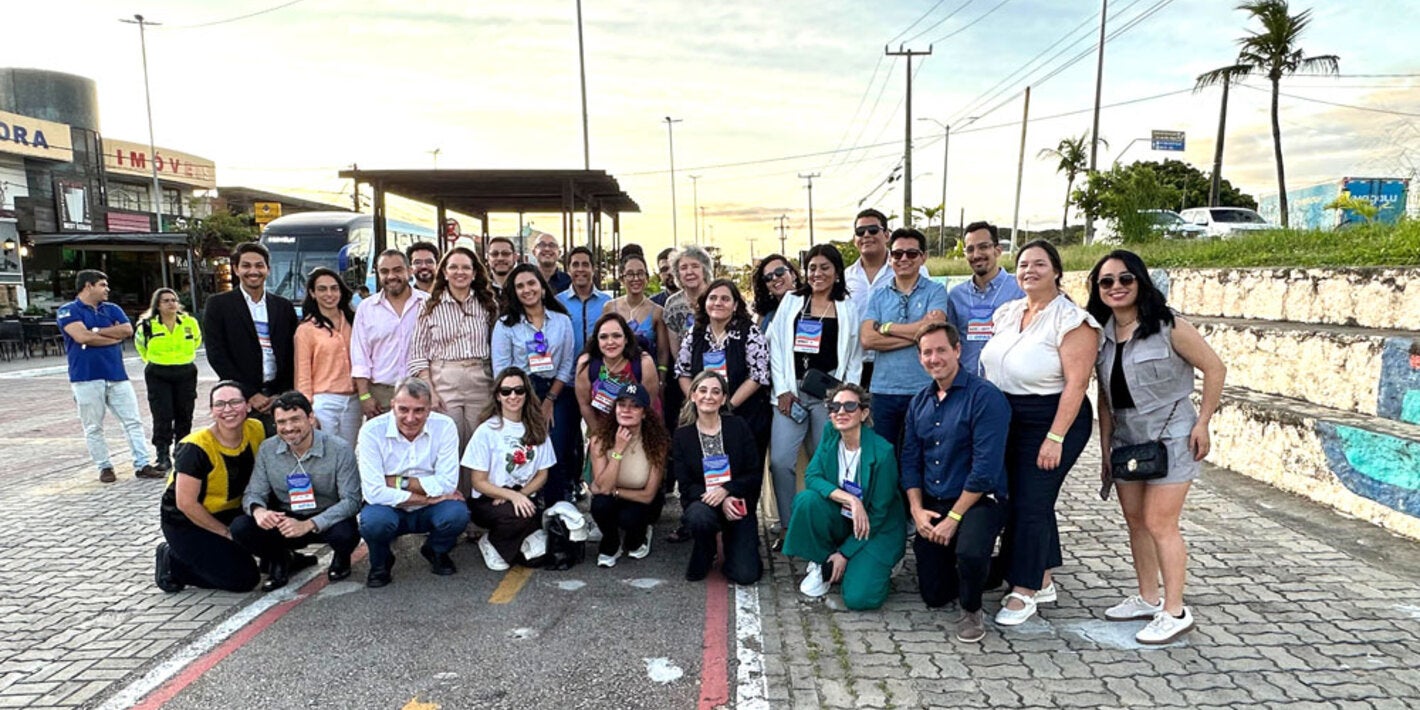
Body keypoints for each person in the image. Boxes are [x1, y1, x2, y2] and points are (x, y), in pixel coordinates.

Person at [1087, 250, 1226, 644]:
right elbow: (1105, 399)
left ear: (1141, 282)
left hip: (1172, 434)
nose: (1116, 287)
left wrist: (1203, 422)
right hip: (1128, 438)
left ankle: (1175, 609)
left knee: (1160, 522)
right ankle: (1148, 596)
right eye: (1106, 281)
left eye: (1125, 279)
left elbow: (1215, 368)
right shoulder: (1103, 336)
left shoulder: (1168, 326)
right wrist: (1105, 451)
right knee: (1135, 522)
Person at [979, 239, 1100, 626]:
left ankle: (1025, 589)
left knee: (1032, 502)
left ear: (1057, 271)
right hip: (1008, 416)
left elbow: (1077, 384)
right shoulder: (1008, 312)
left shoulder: (1072, 320)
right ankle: (1044, 576)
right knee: (1021, 496)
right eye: (1023, 264)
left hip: (1051, 417)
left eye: (1039, 264)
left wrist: (1056, 436)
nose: (1029, 270)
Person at [902, 323, 1011, 642]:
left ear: (958, 350)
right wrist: (917, 511)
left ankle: (972, 608)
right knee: (934, 595)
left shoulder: (985, 397)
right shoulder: (919, 402)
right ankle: (979, 569)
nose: (934, 358)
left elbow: (985, 469)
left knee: (971, 553)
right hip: (935, 500)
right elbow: (910, 460)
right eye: (926, 352)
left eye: (941, 350)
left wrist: (954, 519)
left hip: (979, 500)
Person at [766, 245, 862, 546]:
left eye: (824, 268)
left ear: (836, 272)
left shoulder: (847, 305)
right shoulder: (794, 301)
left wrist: (845, 398)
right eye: (811, 268)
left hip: (829, 396)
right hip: (791, 395)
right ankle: (787, 527)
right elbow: (777, 347)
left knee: (828, 463)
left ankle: (826, 525)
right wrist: (782, 389)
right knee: (781, 461)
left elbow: (855, 356)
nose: (817, 274)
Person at [782, 383, 904, 610]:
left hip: (876, 527)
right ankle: (822, 561)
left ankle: (880, 562)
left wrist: (844, 554)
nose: (841, 412)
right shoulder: (831, 434)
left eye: (849, 406)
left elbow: (879, 513)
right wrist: (851, 499)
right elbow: (813, 476)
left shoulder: (882, 451)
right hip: (847, 514)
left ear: (864, 413)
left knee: (860, 599)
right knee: (806, 501)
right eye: (834, 406)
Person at [231, 391, 362, 590]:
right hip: (287, 517)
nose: (289, 428)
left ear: (310, 418)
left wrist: (309, 524)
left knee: (345, 534)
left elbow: (352, 500)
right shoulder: (268, 449)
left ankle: (342, 558)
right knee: (241, 527)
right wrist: (259, 511)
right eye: (281, 422)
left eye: (295, 419)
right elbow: (254, 493)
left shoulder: (339, 449)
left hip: (327, 516)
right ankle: (281, 559)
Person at [356, 378, 470, 588]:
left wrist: (397, 481)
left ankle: (436, 550)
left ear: (429, 409)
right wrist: (428, 498)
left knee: (457, 514)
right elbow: (374, 492)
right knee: (373, 522)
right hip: (390, 507)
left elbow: (447, 483)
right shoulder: (371, 431)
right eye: (403, 409)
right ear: (392, 405)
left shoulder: (444, 426)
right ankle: (381, 562)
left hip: (426, 507)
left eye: (419, 410)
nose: (410, 418)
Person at [153, 381, 264, 593]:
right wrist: (226, 534)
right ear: (212, 411)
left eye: (235, 402)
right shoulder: (195, 448)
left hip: (230, 512)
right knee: (244, 580)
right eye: (220, 404)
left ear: (248, 406)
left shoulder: (256, 429)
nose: (228, 410)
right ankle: (173, 562)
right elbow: (186, 504)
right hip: (187, 521)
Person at [58, 270, 158, 482]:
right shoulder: (68, 311)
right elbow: (81, 336)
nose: (107, 289)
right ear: (88, 286)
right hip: (86, 377)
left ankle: (142, 463)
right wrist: (109, 336)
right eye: (102, 285)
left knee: (133, 421)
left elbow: (126, 330)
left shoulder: (112, 309)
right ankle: (104, 466)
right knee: (93, 426)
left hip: (116, 375)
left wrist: (95, 332)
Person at [492, 264, 580, 504]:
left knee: (557, 447)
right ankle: (525, 504)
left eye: (531, 283)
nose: (526, 290)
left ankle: (557, 506)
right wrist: (523, 401)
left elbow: (566, 365)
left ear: (542, 288)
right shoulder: (505, 325)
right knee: (525, 450)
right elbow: (501, 370)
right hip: (519, 392)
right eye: (519, 286)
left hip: (557, 391)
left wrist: (550, 400)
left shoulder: (562, 321)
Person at [859, 227, 949, 447]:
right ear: (891, 258)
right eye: (898, 254)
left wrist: (887, 327)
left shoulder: (936, 291)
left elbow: (935, 331)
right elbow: (868, 340)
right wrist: (919, 335)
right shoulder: (878, 295)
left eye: (911, 253)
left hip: (924, 387)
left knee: (922, 454)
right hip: (882, 391)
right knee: (883, 457)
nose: (904, 259)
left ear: (923, 257)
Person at [408, 245, 499, 459]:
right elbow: (418, 353)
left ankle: (477, 493)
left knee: (479, 445)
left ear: (474, 273)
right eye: (454, 267)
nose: (460, 272)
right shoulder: (429, 305)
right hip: (444, 381)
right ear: (445, 272)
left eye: (466, 267)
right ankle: (452, 493)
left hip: (480, 379)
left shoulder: (487, 304)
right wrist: (430, 390)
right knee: (449, 443)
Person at [461, 368, 556, 571]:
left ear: (526, 393)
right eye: (506, 391)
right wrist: (511, 496)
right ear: (498, 395)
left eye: (519, 390)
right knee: (520, 517)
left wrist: (519, 495)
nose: (513, 396)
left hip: (523, 495)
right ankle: (491, 541)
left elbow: (542, 474)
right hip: (489, 499)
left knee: (536, 557)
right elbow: (478, 481)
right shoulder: (486, 431)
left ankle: (511, 541)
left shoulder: (537, 428)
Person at [673, 371, 762, 584]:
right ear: (693, 395)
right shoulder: (682, 436)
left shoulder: (738, 426)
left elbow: (754, 472)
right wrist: (718, 497)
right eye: (702, 390)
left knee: (746, 575)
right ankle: (706, 546)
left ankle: (735, 543)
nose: (708, 396)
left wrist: (728, 490)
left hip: (737, 502)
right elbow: (686, 486)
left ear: (723, 399)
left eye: (715, 392)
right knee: (699, 518)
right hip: (703, 503)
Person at [203, 242, 299, 432]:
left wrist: (280, 394)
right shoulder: (218, 305)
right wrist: (250, 394)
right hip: (238, 398)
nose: (253, 271)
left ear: (268, 270)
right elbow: (217, 354)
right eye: (246, 266)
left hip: (277, 397)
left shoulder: (283, 307)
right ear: (236, 269)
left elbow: (291, 354)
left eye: (259, 265)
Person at [675, 278, 772, 461]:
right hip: (702, 414)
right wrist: (700, 402)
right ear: (705, 303)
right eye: (713, 298)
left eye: (725, 299)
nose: (718, 303)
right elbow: (682, 371)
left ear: (735, 305)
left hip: (743, 414)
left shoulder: (749, 332)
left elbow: (758, 375)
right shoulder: (694, 333)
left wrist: (727, 406)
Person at [844, 209, 928, 388]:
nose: (866, 235)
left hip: (900, 363)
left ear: (886, 235)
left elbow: (925, 324)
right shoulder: (845, 277)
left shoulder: (911, 268)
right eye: (860, 232)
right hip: (855, 365)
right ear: (854, 239)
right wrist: (913, 337)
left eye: (873, 230)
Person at [588, 383, 668, 568]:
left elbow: (648, 495)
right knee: (600, 504)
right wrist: (618, 450)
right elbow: (604, 488)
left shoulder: (658, 443)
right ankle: (611, 542)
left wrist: (614, 491)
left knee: (630, 525)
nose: (626, 410)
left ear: (645, 413)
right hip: (612, 496)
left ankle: (641, 535)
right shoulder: (599, 440)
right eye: (622, 404)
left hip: (641, 499)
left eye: (635, 406)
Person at [352, 249, 429, 415]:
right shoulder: (366, 308)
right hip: (381, 395)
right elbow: (360, 356)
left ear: (410, 271)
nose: (391, 276)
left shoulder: (428, 303)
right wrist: (364, 396)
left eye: (397, 270)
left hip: (422, 392)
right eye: (384, 271)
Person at [134, 287, 201, 472]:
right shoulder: (147, 325)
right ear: (157, 304)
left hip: (185, 371)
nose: (172, 304)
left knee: (184, 413)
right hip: (158, 372)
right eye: (166, 301)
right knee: (162, 414)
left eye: (174, 300)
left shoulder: (189, 322)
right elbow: (141, 346)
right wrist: (156, 361)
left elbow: (196, 340)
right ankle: (162, 455)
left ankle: (182, 452)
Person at [947, 221, 1025, 376]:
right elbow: (950, 342)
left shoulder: (1020, 290)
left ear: (997, 250)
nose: (976, 255)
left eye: (983, 247)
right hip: (967, 386)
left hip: (1009, 386)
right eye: (970, 249)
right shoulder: (956, 296)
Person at [295, 267, 361, 445]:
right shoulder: (306, 329)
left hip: (354, 400)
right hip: (324, 401)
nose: (329, 294)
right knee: (327, 453)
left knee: (349, 452)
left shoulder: (355, 321)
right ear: (312, 293)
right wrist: (306, 409)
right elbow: (303, 373)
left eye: (334, 288)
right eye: (322, 289)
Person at [575, 312, 661, 428]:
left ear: (626, 339)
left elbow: (649, 404)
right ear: (597, 340)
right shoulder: (586, 364)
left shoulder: (644, 362)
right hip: (602, 429)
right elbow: (584, 405)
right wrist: (599, 436)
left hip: (642, 428)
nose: (610, 342)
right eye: (603, 337)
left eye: (616, 336)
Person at [605, 251, 673, 370]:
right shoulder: (610, 308)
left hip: (646, 375)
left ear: (647, 278)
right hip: (615, 374)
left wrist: (661, 380)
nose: (636, 278)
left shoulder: (657, 312)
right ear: (622, 278)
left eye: (640, 274)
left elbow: (662, 352)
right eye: (630, 274)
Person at [558, 246, 612, 356]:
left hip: (600, 368)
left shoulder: (607, 302)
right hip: (568, 371)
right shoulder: (558, 302)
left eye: (585, 264)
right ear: (568, 270)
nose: (580, 269)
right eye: (575, 265)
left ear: (593, 269)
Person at [750, 253, 800, 332]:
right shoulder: (765, 316)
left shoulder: (808, 304)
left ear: (793, 275)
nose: (774, 278)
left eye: (779, 271)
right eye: (768, 277)